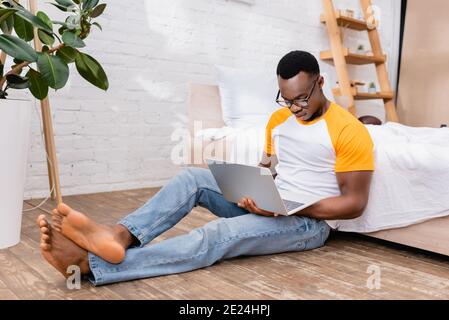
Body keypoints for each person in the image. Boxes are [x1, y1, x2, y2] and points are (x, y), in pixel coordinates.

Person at [37, 51, 375, 286]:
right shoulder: (278, 119)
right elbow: (268, 168)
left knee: (216, 235)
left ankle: (89, 264)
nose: (294, 108)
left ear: (320, 82)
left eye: (301, 98)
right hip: (272, 205)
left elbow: (354, 203)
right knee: (192, 178)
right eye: (286, 99)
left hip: (306, 224)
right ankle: (118, 236)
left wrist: (287, 207)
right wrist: (255, 191)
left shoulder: (348, 129)